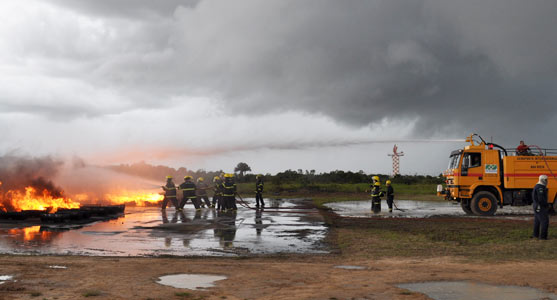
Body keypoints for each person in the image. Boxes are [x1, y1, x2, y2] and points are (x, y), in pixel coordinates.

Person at [532, 175, 550, 240]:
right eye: (546, 180)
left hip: (536, 206)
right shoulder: (540, 188)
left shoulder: (537, 186)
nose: (547, 181)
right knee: (545, 221)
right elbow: (541, 199)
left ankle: (535, 235)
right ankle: (543, 237)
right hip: (540, 206)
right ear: (543, 180)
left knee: (537, 221)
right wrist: (546, 205)